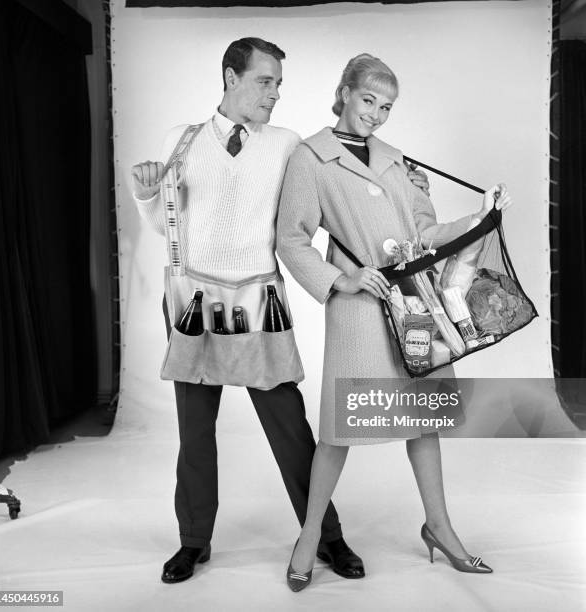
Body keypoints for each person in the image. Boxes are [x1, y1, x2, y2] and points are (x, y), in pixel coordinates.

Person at [131, 38, 429, 585]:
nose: (275, 94)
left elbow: (335, 178)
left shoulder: (288, 144)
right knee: (194, 433)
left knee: (290, 427)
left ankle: (325, 536)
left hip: (258, 302)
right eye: (265, 82)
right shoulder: (183, 139)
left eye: (279, 84)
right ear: (230, 77)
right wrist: (149, 196)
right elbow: (170, 227)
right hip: (196, 302)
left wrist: (399, 183)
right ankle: (193, 541)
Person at [276, 53, 513, 591]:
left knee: (423, 420)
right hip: (360, 310)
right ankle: (309, 535)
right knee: (340, 429)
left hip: (412, 306)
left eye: (386, 107)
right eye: (368, 101)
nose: (377, 115)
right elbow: (291, 238)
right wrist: (344, 278)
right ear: (343, 92)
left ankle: (441, 529)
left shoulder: (397, 160)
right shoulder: (311, 158)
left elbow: (426, 234)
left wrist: (482, 215)